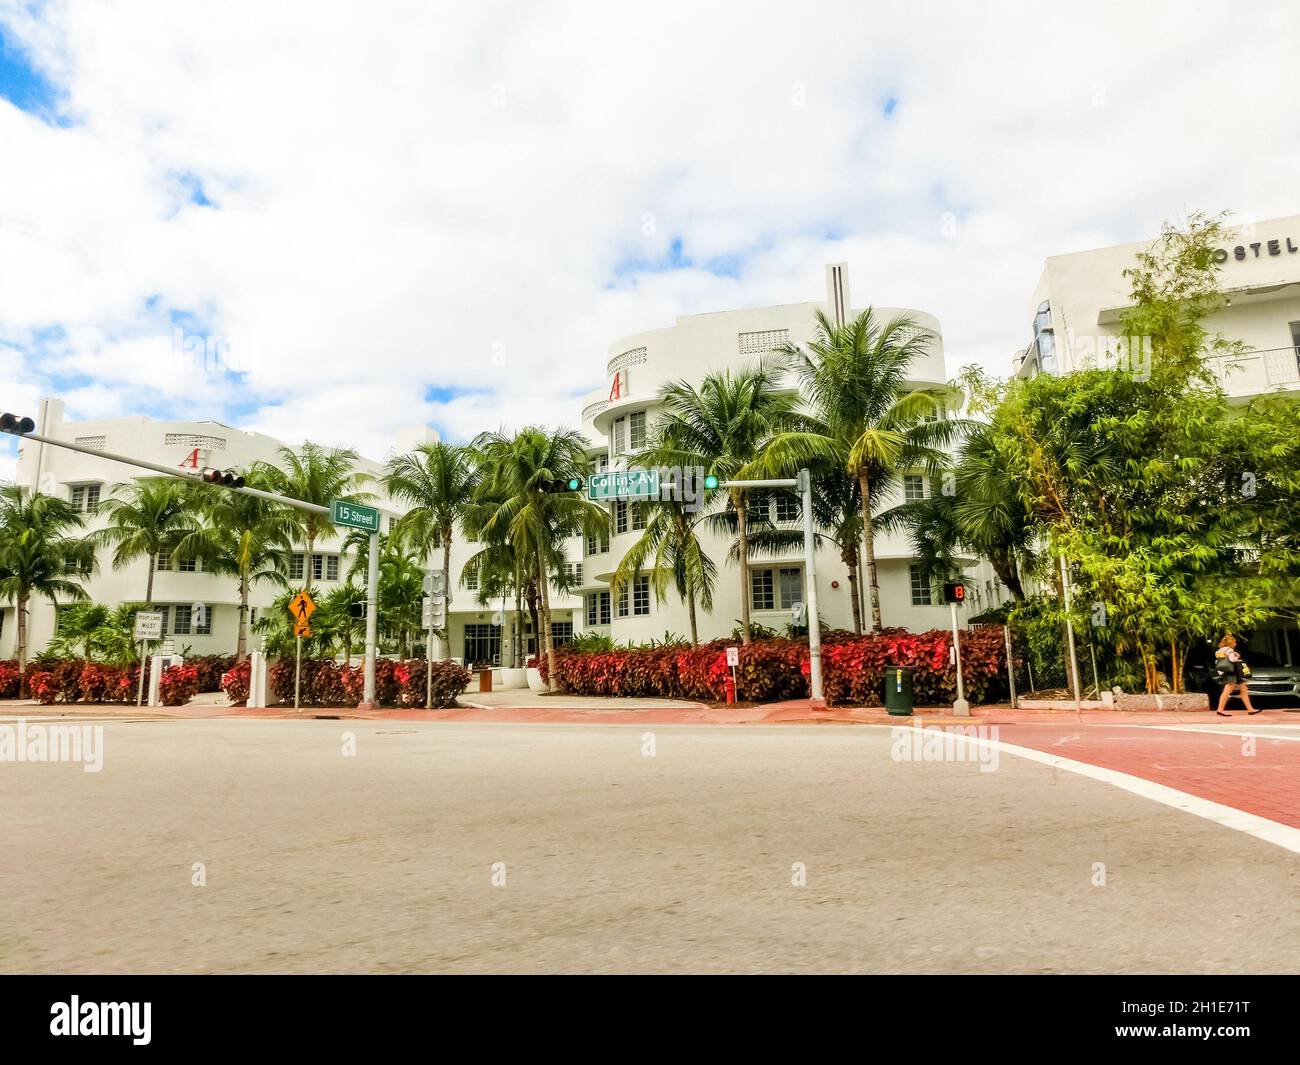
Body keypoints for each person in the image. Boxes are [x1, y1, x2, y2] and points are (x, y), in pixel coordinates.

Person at [1214, 635, 1260, 716]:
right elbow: (1232, 659)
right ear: (1230, 643)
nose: (1235, 644)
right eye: (1234, 642)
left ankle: (1250, 709)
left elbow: (1218, 662)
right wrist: (1237, 656)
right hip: (1233, 672)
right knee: (1228, 690)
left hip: (1227, 672)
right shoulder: (1230, 650)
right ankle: (1220, 709)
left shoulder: (1219, 651)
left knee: (1243, 689)